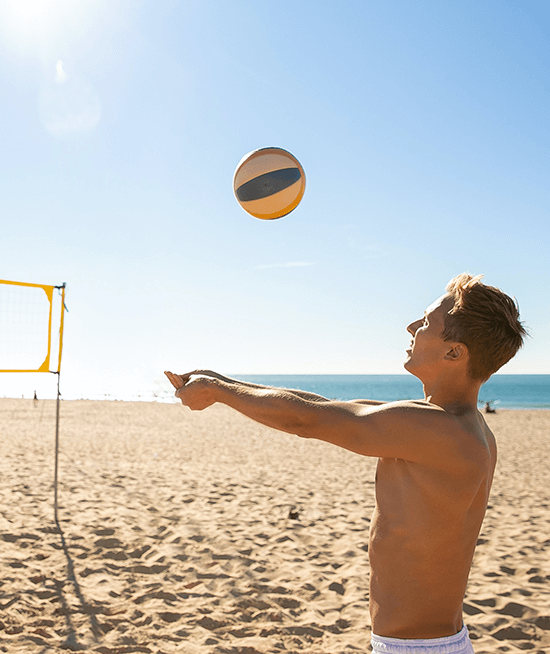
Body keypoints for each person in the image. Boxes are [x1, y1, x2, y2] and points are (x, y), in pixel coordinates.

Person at [165, 273, 526, 654]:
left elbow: (305, 420)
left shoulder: (435, 428)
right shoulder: (462, 427)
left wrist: (218, 392)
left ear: (454, 352)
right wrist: (218, 381)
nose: (410, 327)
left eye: (424, 323)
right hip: (427, 643)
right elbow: (319, 406)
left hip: (418, 648)